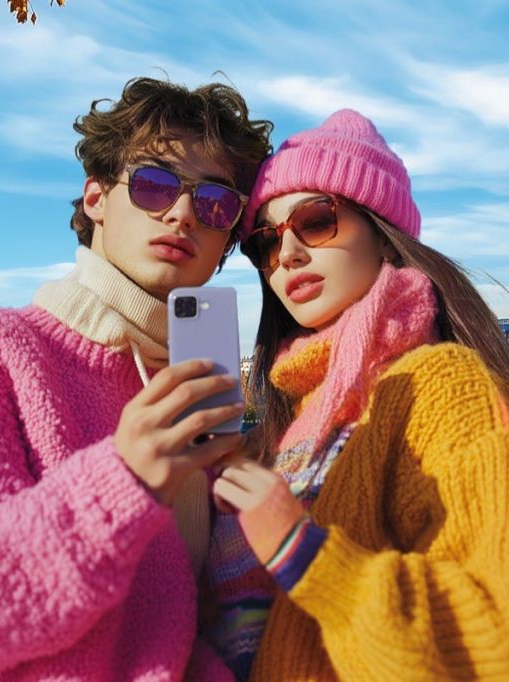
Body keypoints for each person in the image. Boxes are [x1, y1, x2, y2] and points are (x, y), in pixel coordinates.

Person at [0, 77, 272, 680]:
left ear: (227, 236)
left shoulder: (205, 394)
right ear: (95, 197)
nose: (181, 213)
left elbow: (178, 626)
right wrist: (124, 479)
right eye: (153, 184)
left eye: (216, 203)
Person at [206, 109, 509, 680]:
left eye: (316, 220)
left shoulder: (440, 386)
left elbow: (492, 636)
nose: (288, 254)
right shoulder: (290, 421)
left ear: (383, 234)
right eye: (265, 244)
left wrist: (309, 556)